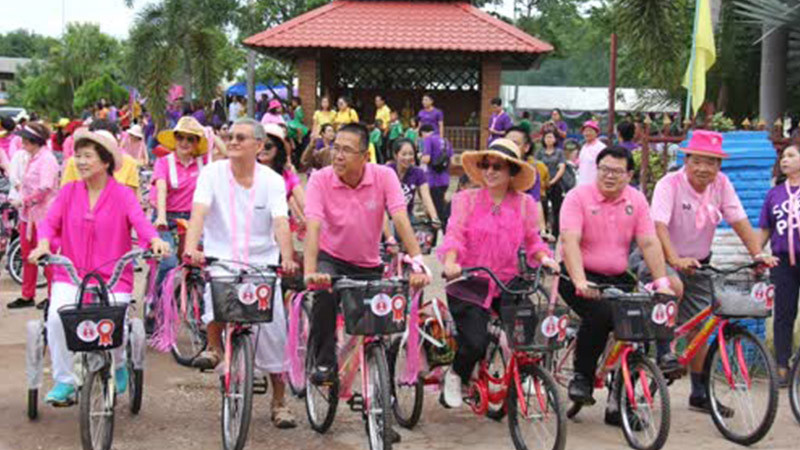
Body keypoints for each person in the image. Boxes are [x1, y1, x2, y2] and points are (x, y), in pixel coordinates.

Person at [633, 130, 777, 413]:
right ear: (686, 160)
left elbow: (739, 220)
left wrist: (758, 254)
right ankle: (664, 354)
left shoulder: (721, 184)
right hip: (660, 258)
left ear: (718, 166)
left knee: (700, 327)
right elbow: (658, 226)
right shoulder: (669, 184)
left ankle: (699, 394)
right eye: (698, 161)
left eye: (711, 162)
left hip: (698, 261)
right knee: (674, 288)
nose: (704, 168)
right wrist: (674, 258)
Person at [27, 128, 169, 404]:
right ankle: (65, 380)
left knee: (114, 324)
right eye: (77, 156)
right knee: (57, 319)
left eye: (87, 156)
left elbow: (140, 222)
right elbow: (50, 224)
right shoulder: (68, 192)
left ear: (105, 161)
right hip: (70, 274)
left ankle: (117, 364)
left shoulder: (122, 195)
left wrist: (153, 241)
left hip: (113, 276)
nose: (80, 161)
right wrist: (44, 245)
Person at [183, 118, 299, 428]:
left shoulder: (273, 181)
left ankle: (279, 401)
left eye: (241, 138)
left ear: (259, 146)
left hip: (263, 264)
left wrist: (286, 258)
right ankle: (213, 347)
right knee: (216, 295)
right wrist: (191, 247)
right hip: (221, 258)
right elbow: (198, 213)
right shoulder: (211, 174)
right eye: (230, 136)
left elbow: (280, 222)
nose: (232, 141)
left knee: (274, 333)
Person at [304, 123, 430, 385]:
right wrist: (310, 271)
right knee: (324, 296)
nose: (338, 155)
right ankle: (324, 362)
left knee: (376, 323)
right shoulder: (320, 179)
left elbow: (400, 216)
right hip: (331, 257)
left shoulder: (384, 176)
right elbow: (313, 225)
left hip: (369, 262)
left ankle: (381, 382)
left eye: (347, 150)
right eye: (336, 148)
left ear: (365, 156)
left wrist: (417, 261)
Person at [439, 138, 558, 408]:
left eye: (498, 167)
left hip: (507, 281)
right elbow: (454, 235)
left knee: (527, 329)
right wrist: (450, 262)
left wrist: (545, 259)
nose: (490, 171)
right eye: (486, 165)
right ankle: (456, 374)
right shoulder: (465, 200)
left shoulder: (525, 204)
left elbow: (532, 240)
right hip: (469, 281)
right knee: (474, 343)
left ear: (512, 172)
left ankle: (527, 373)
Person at [559, 146, 674, 423]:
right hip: (579, 274)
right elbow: (570, 241)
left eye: (617, 172)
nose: (609, 176)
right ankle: (582, 378)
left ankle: (618, 405)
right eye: (604, 170)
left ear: (629, 174)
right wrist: (578, 280)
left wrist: (662, 283)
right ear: (596, 170)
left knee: (639, 324)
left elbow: (648, 242)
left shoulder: (636, 199)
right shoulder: (578, 197)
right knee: (599, 314)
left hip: (618, 277)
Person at [150, 117, 208, 301]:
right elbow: (161, 188)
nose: (184, 143)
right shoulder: (164, 162)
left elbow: (226, 156)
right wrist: (160, 217)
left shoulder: (203, 162)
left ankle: (201, 312)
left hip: (194, 218)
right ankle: (156, 306)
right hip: (167, 215)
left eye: (190, 139)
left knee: (204, 261)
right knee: (168, 262)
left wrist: (210, 133)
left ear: (197, 142)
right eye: (180, 137)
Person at [759, 145, 800, 386]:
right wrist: (757, 254)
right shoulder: (774, 194)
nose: (785, 160)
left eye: (791, 155)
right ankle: (782, 366)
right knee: (783, 314)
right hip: (782, 262)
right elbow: (765, 228)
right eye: (783, 157)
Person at [7, 123, 59, 309]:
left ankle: (53, 296)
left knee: (46, 257)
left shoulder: (47, 159)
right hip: (28, 216)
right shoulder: (33, 158)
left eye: (25, 140)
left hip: (43, 216)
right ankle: (27, 294)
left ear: (34, 141)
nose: (22, 144)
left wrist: (25, 200)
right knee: (27, 254)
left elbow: (45, 188)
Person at [257, 123, 306, 235]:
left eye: (268, 145)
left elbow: (305, 205)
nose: (262, 149)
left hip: (277, 235)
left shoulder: (287, 177)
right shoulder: (246, 172)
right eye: (258, 144)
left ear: (278, 149)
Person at [504, 126, 548, 236]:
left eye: (515, 143)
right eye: (507, 142)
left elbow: (535, 201)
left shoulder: (531, 172)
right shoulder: (489, 166)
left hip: (517, 226)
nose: (510, 147)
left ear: (526, 147)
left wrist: (542, 230)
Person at [387, 138, 440, 225]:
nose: (408, 158)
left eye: (411, 154)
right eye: (403, 154)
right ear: (395, 155)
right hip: (386, 217)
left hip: (407, 216)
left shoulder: (418, 172)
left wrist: (434, 217)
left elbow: (426, 197)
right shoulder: (387, 171)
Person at [419, 124, 452, 230]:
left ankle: (438, 236)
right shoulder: (446, 141)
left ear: (424, 132)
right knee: (441, 206)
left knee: (436, 211)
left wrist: (419, 156)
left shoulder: (428, 140)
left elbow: (427, 159)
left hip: (434, 180)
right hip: (445, 180)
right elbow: (450, 159)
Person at [536, 130, 567, 238]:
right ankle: (543, 232)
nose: (549, 139)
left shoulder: (559, 152)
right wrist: (543, 182)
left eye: (551, 137)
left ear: (555, 139)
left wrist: (553, 181)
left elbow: (562, 167)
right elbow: (536, 167)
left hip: (556, 184)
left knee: (556, 209)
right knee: (542, 208)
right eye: (547, 137)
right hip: (542, 185)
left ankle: (556, 233)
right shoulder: (540, 152)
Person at [577, 120, 606, 185]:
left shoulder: (601, 147)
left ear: (596, 133)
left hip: (595, 185)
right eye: (585, 131)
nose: (587, 133)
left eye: (590, 131)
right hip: (582, 183)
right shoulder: (584, 147)